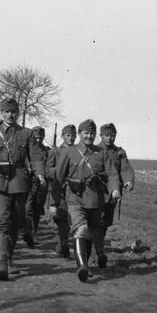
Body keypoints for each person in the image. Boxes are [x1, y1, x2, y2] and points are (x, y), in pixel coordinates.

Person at [0, 98, 45, 281]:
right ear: (1, 113)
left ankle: (9, 257)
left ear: (18, 113)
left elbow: (36, 156)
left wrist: (39, 173)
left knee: (15, 222)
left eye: (13, 111)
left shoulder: (27, 133)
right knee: (2, 223)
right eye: (7, 112)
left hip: (19, 182)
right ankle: (2, 263)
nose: (10, 115)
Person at [50, 119, 120, 282]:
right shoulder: (69, 152)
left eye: (92, 133)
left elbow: (112, 174)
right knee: (80, 229)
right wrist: (53, 202)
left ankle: (86, 264)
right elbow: (58, 178)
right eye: (86, 133)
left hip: (96, 200)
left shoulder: (101, 153)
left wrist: (114, 188)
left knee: (89, 232)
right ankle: (82, 266)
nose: (89, 136)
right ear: (80, 134)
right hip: (75, 199)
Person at [97, 123, 135, 252]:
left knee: (107, 221)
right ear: (101, 136)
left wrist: (128, 181)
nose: (109, 138)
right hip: (97, 191)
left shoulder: (119, 152)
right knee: (98, 220)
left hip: (113, 193)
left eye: (112, 135)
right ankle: (96, 247)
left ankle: (98, 244)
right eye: (106, 135)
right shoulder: (95, 150)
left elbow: (126, 169)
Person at [45, 124, 76, 258]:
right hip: (60, 188)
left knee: (73, 218)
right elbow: (48, 170)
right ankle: (64, 244)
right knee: (62, 216)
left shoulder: (78, 151)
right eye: (68, 135)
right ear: (63, 136)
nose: (71, 138)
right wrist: (58, 172)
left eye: (73, 135)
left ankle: (61, 245)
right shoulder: (55, 151)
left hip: (75, 189)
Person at [25, 126, 50, 240]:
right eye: (36, 137)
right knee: (28, 207)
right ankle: (27, 230)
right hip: (28, 182)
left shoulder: (47, 151)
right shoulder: (27, 149)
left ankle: (32, 233)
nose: (38, 140)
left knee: (37, 208)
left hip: (41, 184)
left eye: (40, 137)